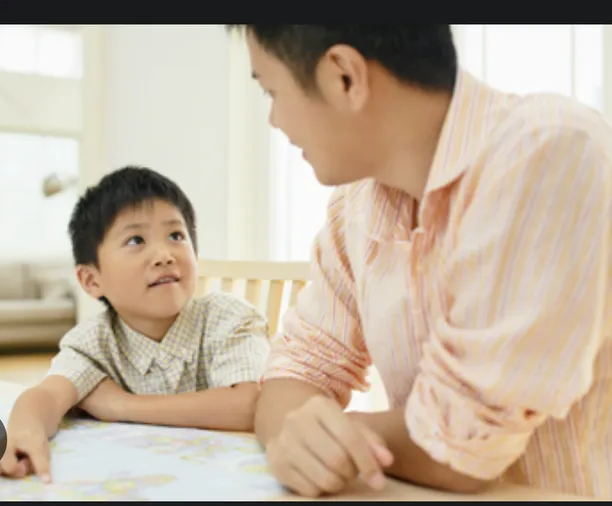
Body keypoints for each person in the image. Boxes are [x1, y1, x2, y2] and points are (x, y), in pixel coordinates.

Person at [229, 24, 612, 499]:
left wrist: (321, 433)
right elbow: (295, 371)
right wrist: (296, 430)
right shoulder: (357, 206)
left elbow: (462, 451)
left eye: (272, 91)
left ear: (344, 76)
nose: (274, 120)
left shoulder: (550, 150)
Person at [0, 166, 271, 482]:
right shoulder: (93, 342)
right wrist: (25, 430)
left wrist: (122, 405)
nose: (164, 254)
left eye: (176, 235)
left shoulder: (228, 317)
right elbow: (47, 396)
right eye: (136, 240)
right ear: (92, 279)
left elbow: (249, 406)